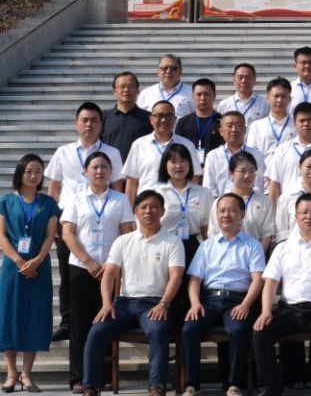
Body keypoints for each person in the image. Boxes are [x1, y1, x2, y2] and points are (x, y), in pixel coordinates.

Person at [80, 190, 185, 396]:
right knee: (97, 331)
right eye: (143, 207)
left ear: (162, 211)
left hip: (155, 304)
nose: (148, 211)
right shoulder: (123, 241)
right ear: (135, 212)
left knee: (157, 330)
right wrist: (106, 303)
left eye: (154, 207)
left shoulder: (172, 241)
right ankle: (90, 386)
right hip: (124, 304)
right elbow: (109, 273)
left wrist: (163, 303)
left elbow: (176, 276)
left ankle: (156, 386)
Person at [252, 192, 311, 396]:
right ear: (296, 216)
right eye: (304, 212)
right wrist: (266, 311)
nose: (309, 216)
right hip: (289, 310)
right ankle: (270, 386)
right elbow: (270, 283)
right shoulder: (282, 248)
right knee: (260, 331)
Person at [61, 152, 135, 393]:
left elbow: (126, 232)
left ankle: (103, 375)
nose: (100, 171)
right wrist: (89, 262)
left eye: (104, 166)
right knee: (80, 325)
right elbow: (67, 233)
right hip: (82, 268)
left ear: (111, 171)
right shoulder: (77, 198)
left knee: (105, 323)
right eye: (94, 167)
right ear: (85, 171)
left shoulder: (120, 199)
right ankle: (79, 378)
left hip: (110, 270)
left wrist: (114, 263)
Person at [181, 193, 266, 396]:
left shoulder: (253, 245)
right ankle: (191, 384)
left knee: (237, 330)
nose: (226, 215)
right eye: (222, 211)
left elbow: (258, 280)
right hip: (209, 300)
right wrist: (195, 303)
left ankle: (233, 384)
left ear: (242, 214)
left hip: (238, 300)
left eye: (232, 210)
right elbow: (195, 280)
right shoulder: (206, 246)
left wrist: (246, 305)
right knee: (189, 329)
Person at [0, 155, 60, 392]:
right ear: (20, 173)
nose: (34, 176)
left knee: (34, 316)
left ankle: (26, 374)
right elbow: (2, 236)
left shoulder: (48, 203)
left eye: (38, 172)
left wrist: (36, 261)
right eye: (29, 171)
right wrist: (19, 261)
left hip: (39, 266)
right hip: (12, 267)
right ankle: (11, 373)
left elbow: (50, 236)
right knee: (10, 316)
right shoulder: (5, 201)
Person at [123, 100, 198, 203]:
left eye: (169, 116)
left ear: (175, 119)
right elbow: (132, 182)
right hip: (146, 207)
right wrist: (128, 211)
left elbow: (194, 178)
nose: (164, 120)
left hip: (177, 205)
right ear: (151, 119)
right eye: (159, 116)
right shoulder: (139, 145)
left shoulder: (187, 145)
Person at [202, 111, 266, 198]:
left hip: (249, 203)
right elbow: (209, 188)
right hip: (220, 204)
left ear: (245, 130)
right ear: (221, 131)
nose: (234, 130)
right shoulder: (213, 156)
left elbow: (259, 186)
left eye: (238, 125)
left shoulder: (257, 155)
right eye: (229, 126)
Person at [226, 153, 275, 250]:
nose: (247, 175)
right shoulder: (222, 202)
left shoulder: (264, 201)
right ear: (231, 174)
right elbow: (214, 233)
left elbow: (267, 234)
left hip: (256, 254)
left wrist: (258, 255)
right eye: (242, 171)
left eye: (252, 171)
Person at [103, 71, 152, 158]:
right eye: (122, 87)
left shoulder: (148, 118)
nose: (126, 90)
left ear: (137, 90)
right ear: (114, 91)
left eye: (131, 86)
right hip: (110, 164)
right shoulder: (103, 117)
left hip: (138, 164)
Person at [174, 78, 223, 162]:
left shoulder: (223, 122)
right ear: (193, 96)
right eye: (199, 94)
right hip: (189, 168)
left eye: (207, 94)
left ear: (214, 96)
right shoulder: (183, 122)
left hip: (215, 167)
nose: (202, 98)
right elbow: (178, 149)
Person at [245, 78, 296, 158]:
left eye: (283, 96)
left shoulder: (296, 125)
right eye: (276, 96)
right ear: (267, 97)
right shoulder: (256, 126)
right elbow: (251, 154)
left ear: (289, 99)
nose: (279, 100)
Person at [137, 54, 194, 118]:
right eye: (164, 68)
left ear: (180, 71)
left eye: (174, 68)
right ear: (158, 71)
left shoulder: (192, 93)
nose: (168, 71)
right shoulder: (146, 93)